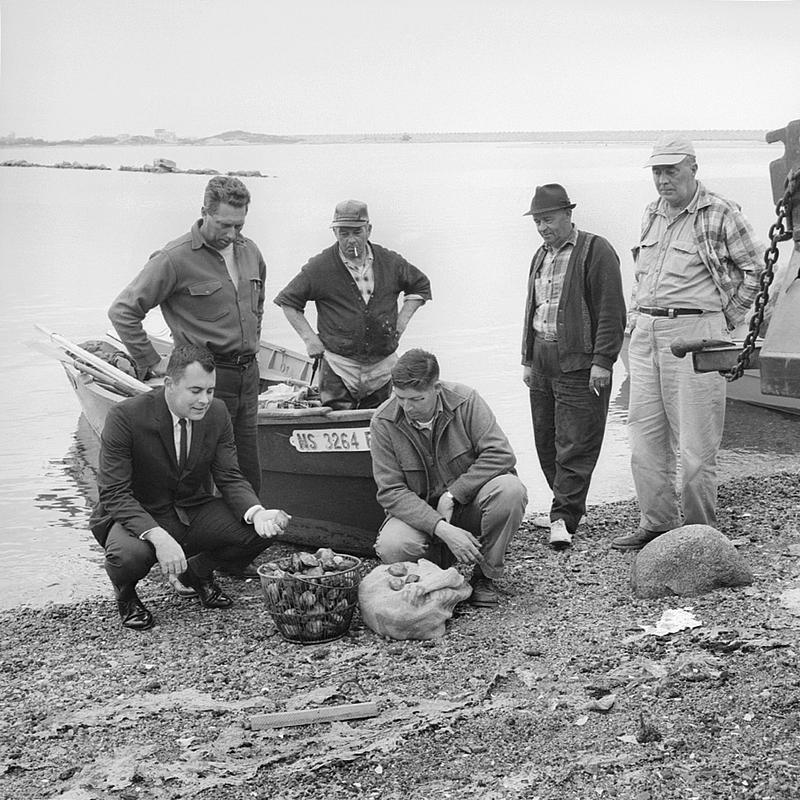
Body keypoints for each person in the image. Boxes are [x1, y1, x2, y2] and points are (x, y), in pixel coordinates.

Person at [612, 135, 764, 551]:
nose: (663, 180)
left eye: (671, 170)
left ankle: (700, 536)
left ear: (693, 169)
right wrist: (634, 319)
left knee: (696, 449)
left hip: (696, 335)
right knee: (644, 441)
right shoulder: (651, 213)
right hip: (645, 335)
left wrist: (724, 322)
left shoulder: (719, 213)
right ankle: (657, 525)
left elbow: (755, 270)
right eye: (657, 171)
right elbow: (644, 274)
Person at [89, 345, 290, 631]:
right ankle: (127, 596)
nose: (205, 400)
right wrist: (158, 537)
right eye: (195, 390)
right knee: (128, 557)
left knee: (263, 529)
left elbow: (229, 476)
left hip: (190, 508)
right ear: (169, 384)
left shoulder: (218, 413)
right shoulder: (125, 416)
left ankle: (195, 574)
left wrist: (258, 514)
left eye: (210, 390)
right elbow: (113, 492)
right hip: (139, 513)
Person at [108, 175, 265, 497]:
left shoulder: (250, 252)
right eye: (223, 225)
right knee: (198, 478)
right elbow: (123, 311)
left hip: (248, 378)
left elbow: (256, 307)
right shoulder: (173, 258)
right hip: (201, 381)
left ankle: (243, 540)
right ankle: (194, 542)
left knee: (247, 474)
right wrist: (154, 363)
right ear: (204, 212)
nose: (232, 234)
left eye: (239, 225)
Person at [369, 349, 528, 608]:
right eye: (400, 398)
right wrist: (441, 527)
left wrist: (453, 494)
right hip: (419, 517)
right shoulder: (383, 421)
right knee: (392, 545)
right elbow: (391, 491)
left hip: (467, 506)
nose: (407, 408)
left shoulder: (466, 401)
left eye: (417, 399)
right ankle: (430, 577)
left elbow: (501, 455)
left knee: (510, 490)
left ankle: (485, 575)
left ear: (437, 388)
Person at [521, 184, 626, 548]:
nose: (542, 227)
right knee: (545, 440)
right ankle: (563, 508)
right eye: (537, 221)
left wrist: (603, 361)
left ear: (568, 214)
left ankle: (562, 518)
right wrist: (526, 359)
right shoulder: (540, 255)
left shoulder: (596, 250)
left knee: (576, 444)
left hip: (580, 363)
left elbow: (612, 312)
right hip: (542, 359)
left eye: (548, 219)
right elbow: (533, 310)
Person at [274, 200, 432, 410]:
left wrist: (401, 321)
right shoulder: (320, 267)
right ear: (335, 233)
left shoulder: (391, 262)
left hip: (382, 365)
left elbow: (420, 285)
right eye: (343, 233)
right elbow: (289, 302)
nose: (351, 240)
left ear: (369, 230)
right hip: (339, 365)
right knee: (334, 418)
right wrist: (310, 339)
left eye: (357, 232)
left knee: (383, 421)